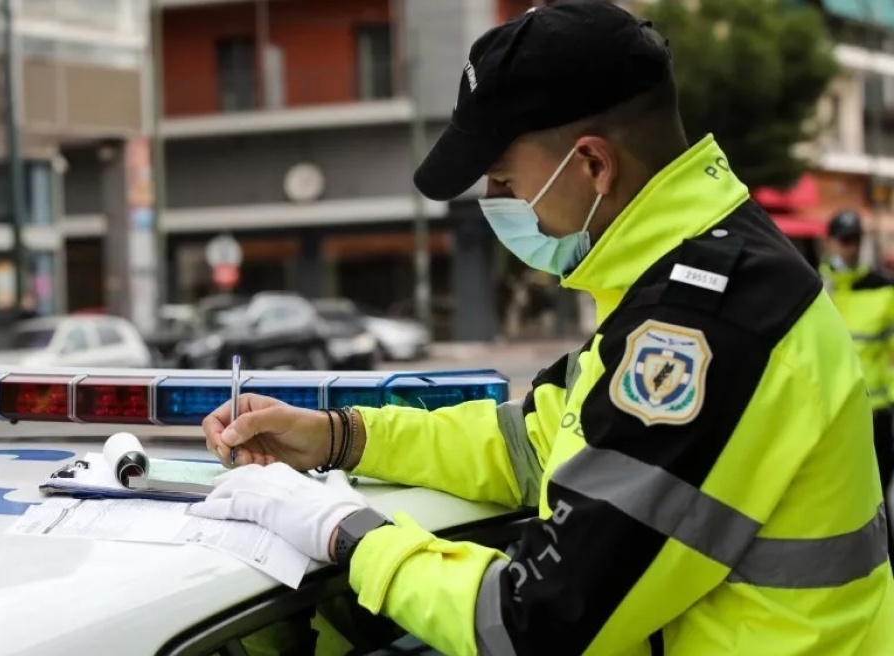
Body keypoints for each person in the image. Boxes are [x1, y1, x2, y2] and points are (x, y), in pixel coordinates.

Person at [193, 3, 894, 655]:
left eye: (504, 180)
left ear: (592, 165)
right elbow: (530, 445)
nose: (496, 202)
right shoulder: (684, 274)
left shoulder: (705, 325)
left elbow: (531, 621)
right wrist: (338, 436)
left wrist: (338, 530)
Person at [822, 209, 894, 561]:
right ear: (830, 242)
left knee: (877, 497)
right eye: (844, 240)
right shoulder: (815, 287)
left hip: (877, 412)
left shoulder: (883, 289)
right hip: (831, 415)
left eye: (855, 240)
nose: (849, 248)